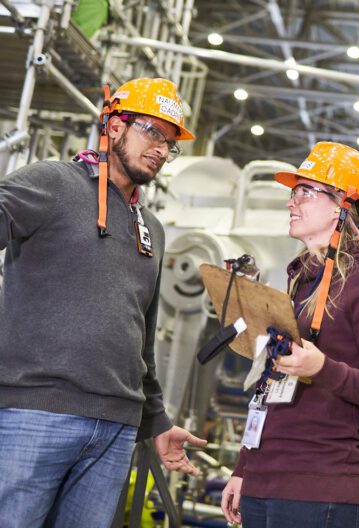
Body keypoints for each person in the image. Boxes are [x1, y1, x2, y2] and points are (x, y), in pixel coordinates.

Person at [0, 78, 207, 528]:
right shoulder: (53, 183)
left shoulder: (150, 226)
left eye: (170, 143)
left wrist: (155, 420)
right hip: (36, 412)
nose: (160, 149)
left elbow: (142, 336)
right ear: (114, 126)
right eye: (152, 132)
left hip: (115, 429)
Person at [221, 141, 359, 528]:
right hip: (264, 483)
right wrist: (244, 467)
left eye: (305, 191)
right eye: (294, 192)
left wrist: (323, 368)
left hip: (321, 491)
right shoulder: (300, 283)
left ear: (342, 202)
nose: (292, 203)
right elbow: (268, 386)